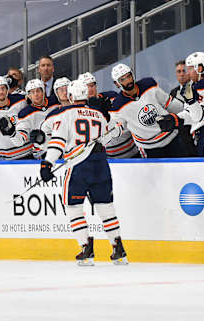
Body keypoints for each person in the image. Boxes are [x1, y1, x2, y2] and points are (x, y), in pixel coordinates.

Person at [39, 79, 127, 266]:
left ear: (70, 96)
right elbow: (108, 138)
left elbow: (57, 142)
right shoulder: (99, 115)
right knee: (106, 207)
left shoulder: (64, 113)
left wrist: (47, 163)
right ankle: (118, 248)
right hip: (101, 164)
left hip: (79, 165)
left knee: (73, 207)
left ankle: (86, 248)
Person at [109, 63, 188, 158]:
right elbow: (115, 130)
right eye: (123, 79)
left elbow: (170, 104)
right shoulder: (117, 106)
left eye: (129, 76)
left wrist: (187, 111)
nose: (128, 81)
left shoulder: (149, 85)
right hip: (149, 148)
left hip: (172, 138)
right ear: (117, 84)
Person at [79, 71, 138, 158]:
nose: (90, 89)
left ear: (96, 86)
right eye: (86, 87)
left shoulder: (111, 96)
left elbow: (126, 118)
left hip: (132, 150)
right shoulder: (81, 110)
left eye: (92, 85)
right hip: (109, 158)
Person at [9, 79, 59, 158]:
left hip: (61, 147)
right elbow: (20, 139)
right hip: (42, 152)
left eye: (38, 91)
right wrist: (12, 133)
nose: (36, 94)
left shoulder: (55, 102)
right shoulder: (25, 113)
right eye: (32, 92)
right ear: (28, 96)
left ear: (43, 92)